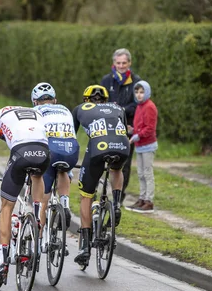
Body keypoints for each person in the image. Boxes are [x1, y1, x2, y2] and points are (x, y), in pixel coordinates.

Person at [0, 106, 50, 280]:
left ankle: (3, 263)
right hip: (43, 152)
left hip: (21, 153)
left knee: (6, 207)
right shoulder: (37, 113)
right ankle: (36, 219)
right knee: (37, 175)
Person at [72, 85, 130, 266]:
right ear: (105, 99)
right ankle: (117, 203)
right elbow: (124, 130)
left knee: (86, 196)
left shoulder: (80, 109)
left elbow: (71, 138)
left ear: (86, 100)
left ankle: (85, 247)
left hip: (98, 148)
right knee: (116, 169)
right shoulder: (118, 108)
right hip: (122, 146)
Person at [31, 83, 79, 235]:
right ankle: (65, 204)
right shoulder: (65, 110)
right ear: (55, 100)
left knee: (43, 200)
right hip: (71, 149)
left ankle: (39, 240)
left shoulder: (35, 111)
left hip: (50, 150)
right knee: (63, 171)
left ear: (34, 101)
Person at [100, 48, 141, 204]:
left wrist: (121, 109)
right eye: (118, 63)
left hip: (128, 128)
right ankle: (105, 192)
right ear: (114, 63)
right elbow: (102, 102)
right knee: (107, 160)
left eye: (124, 63)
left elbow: (138, 104)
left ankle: (119, 197)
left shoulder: (136, 81)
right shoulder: (106, 80)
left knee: (125, 163)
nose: (121, 66)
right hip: (108, 127)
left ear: (129, 63)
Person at [125, 81, 158, 213]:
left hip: (148, 145)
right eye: (137, 92)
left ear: (147, 92)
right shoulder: (139, 106)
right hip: (139, 145)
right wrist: (133, 130)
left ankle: (149, 201)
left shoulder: (149, 106)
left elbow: (150, 128)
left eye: (142, 92)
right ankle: (142, 198)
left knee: (147, 173)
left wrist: (138, 135)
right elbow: (140, 126)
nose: (139, 95)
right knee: (140, 173)